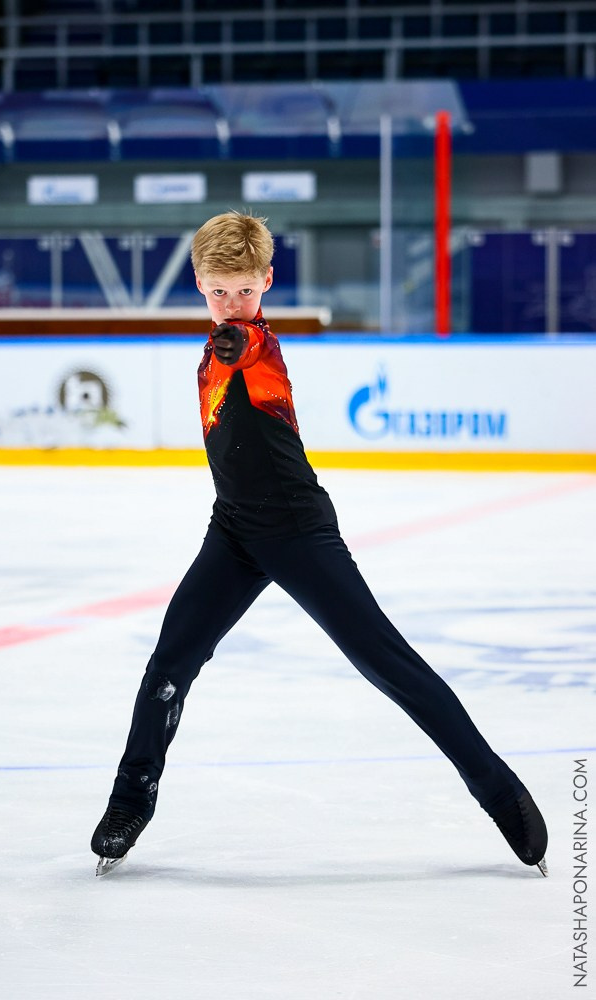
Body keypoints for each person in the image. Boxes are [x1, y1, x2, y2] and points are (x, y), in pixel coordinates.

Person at [91, 211, 548, 877]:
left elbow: (243, 347)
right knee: (168, 666)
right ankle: (130, 800)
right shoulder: (206, 355)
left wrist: (237, 338)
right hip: (235, 529)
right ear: (198, 284)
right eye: (219, 291)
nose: (232, 304)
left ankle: (499, 791)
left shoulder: (256, 348)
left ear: (267, 282)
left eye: (245, 290)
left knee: (388, 664)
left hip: (299, 530)